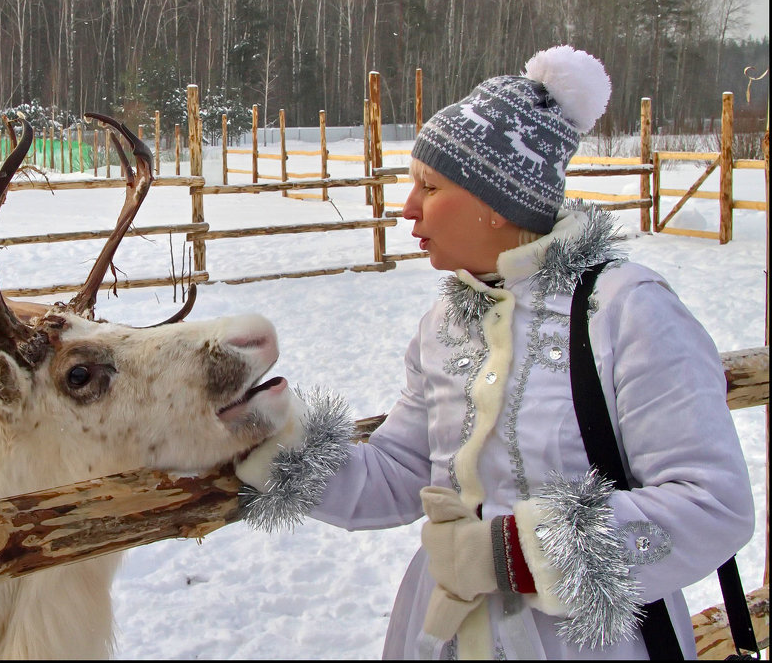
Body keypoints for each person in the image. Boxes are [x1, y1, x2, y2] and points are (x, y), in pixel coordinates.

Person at [236, 46, 755, 659]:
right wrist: (268, 444)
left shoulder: (627, 310)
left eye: (430, 185)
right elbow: (402, 472)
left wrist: (514, 555)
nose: (408, 207)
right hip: (446, 631)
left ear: (499, 202)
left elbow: (713, 504)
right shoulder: (444, 325)